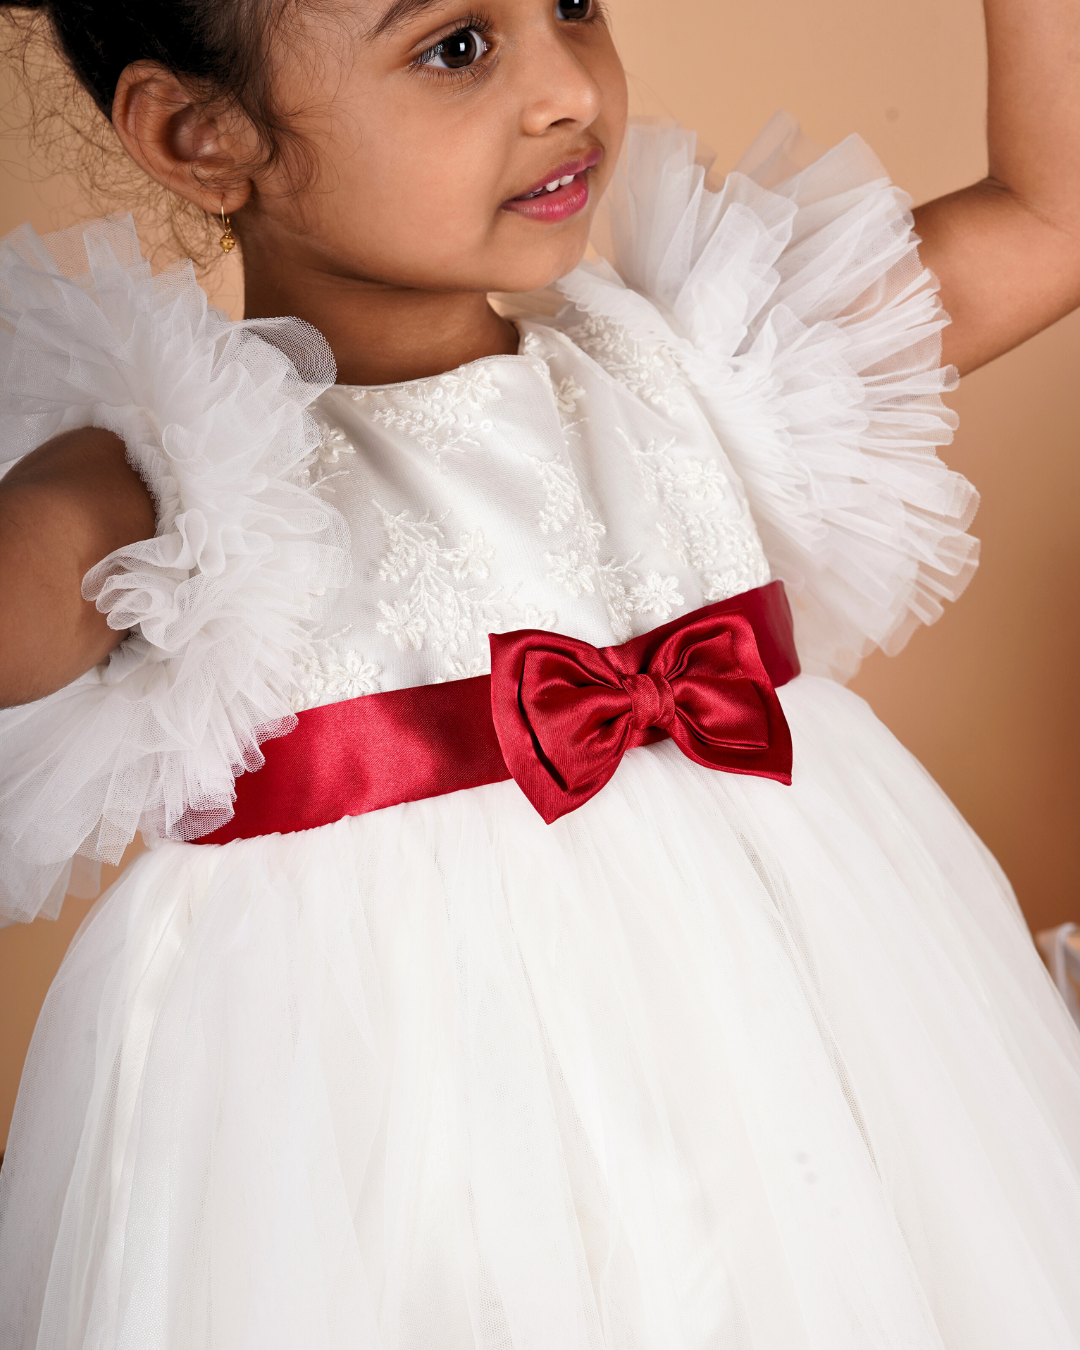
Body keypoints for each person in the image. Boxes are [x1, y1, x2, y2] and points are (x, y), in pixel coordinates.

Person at [1, 0, 1079, 1344]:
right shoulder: (186, 482)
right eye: (457, 46)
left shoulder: (706, 371)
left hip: (801, 1068)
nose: (569, 86)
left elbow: (1053, 216)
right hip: (415, 1140)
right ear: (202, 133)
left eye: (571, 1)